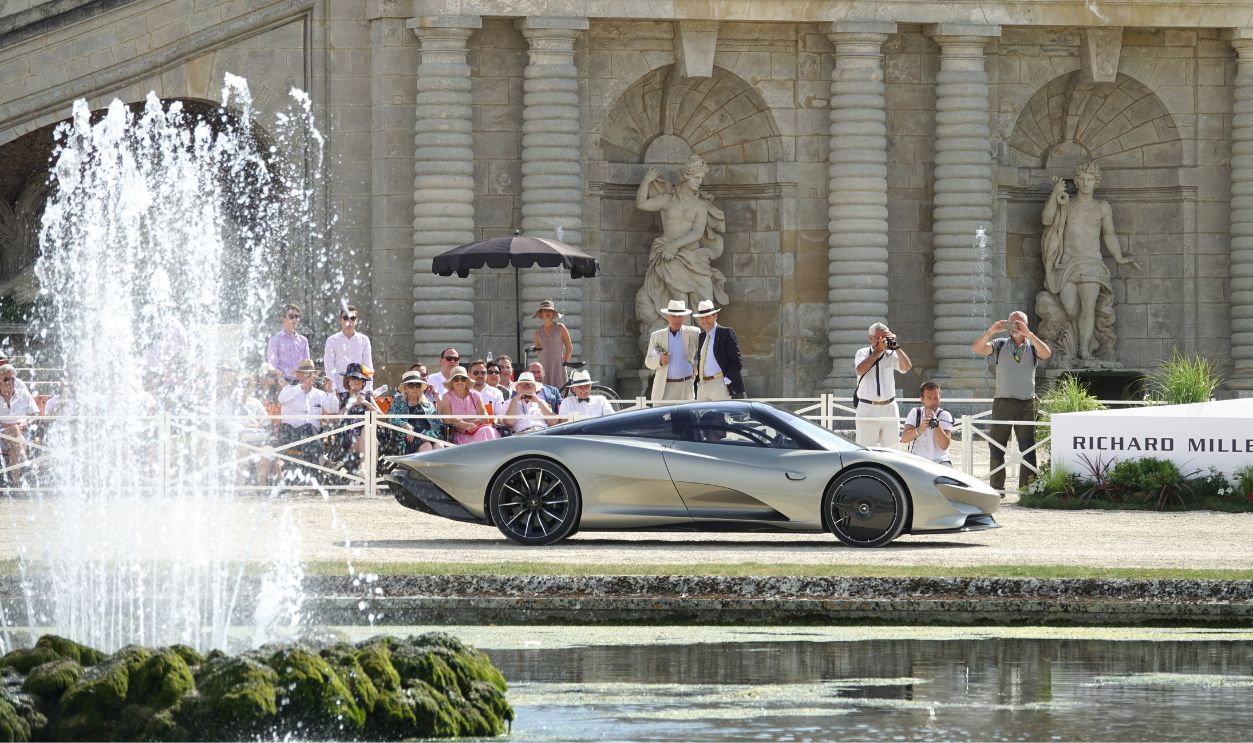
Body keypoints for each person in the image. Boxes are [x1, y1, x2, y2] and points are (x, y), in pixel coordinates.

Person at [1040, 161, 1140, 360]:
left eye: (1090, 180)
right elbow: (1046, 219)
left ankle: (1084, 350)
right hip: (1067, 264)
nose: (1086, 184)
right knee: (1071, 310)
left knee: (1088, 307)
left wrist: (1119, 257)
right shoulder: (1066, 203)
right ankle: (1083, 340)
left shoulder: (1102, 207)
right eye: (1082, 180)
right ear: (1076, 182)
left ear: (1096, 182)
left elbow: (1109, 234)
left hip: (1092, 264)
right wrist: (1054, 195)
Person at [633, 155, 729, 352]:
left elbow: (696, 232)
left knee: (706, 303)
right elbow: (641, 204)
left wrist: (675, 245)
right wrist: (646, 181)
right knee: (680, 306)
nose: (699, 182)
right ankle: (686, 351)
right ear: (686, 176)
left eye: (701, 178)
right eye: (696, 177)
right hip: (670, 259)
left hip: (693, 258)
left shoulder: (700, 205)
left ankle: (708, 350)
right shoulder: (668, 201)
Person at [972, 311, 1053, 492]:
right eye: (1012, 324)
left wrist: (1029, 335)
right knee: (997, 445)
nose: (1015, 327)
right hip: (1003, 402)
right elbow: (977, 349)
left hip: (1027, 403)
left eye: (1019, 324)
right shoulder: (1000, 345)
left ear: (1026, 325)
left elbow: (1046, 354)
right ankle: (997, 488)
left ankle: (1027, 489)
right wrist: (991, 331)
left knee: (1027, 446)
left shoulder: (1032, 346)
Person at [853, 322, 913, 448]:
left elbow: (907, 367)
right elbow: (860, 370)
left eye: (884, 338)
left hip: (889, 407)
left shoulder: (891, 355)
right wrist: (877, 351)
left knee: (893, 449)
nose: (882, 341)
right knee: (866, 449)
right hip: (867, 407)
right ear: (870, 338)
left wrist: (897, 347)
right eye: (878, 338)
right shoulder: (862, 353)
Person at [276, 358, 339, 473]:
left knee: (313, 437)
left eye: (311, 374)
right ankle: (322, 460)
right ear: (298, 375)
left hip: (312, 440)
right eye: (306, 374)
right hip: (291, 435)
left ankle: (316, 479)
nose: (309, 377)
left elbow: (334, 409)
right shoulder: (289, 389)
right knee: (309, 428)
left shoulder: (319, 394)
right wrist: (301, 387)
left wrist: (330, 391)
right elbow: (281, 399)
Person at [644, 299, 700, 402]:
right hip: (663, 388)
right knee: (662, 418)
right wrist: (659, 360)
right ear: (667, 317)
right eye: (673, 316)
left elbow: (704, 352)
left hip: (686, 386)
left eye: (679, 317)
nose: (676, 320)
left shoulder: (694, 332)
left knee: (686, 418)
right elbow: (648, 361)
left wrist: (695, 368)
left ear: (684, 317)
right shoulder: (656, 336)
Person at [692, 299, 745, 401]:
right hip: (703, 386)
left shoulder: (726, 333)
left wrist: (725, 382)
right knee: (702, 416)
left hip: (719, 384)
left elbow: (737, 362)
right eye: (702, 318)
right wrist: (699, 382)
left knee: (721, 417)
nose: (704, 320)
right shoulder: (702, 336)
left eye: (707, 317)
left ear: (715, 316)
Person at [335, 362, 383, 472]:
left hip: (368, 436)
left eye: (360, 378)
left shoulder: (367, 397)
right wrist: (350, 404)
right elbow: (336, 419)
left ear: (363, 382)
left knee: (368, 430)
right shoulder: (342, 397)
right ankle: (370, 478)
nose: (357, 380)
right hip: (349, 439)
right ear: (348, 381)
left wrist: (367, 404)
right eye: (353, 378)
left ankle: (363, 469)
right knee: (372, 441)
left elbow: (382, 418)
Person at [383, 371, 444, 454]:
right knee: (427, 446)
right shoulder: (398, 401)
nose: (415, 388)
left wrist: (429, 434)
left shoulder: (428, 404)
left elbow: (437, 424)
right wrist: (405, 425)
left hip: (427, 436)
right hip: (406, 438)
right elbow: (390, 419)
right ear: (405, 389)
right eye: (411, 385)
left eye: (417, 385)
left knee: (439, 445)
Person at [438, 366, 500, 445]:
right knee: (486, 432)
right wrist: (465, 425)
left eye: (463, 379)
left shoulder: (475, 395)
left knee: (488, 430)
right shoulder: (447, 396)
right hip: (460, 434)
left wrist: (469, 424)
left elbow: (485, 418)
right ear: (452, 382)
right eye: (456, 379)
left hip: (478, 429)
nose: (460, 381)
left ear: (466, 381)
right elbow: (447, 420)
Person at [323, 304, 374, 393]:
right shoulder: (331, 340)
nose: (349, 321)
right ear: (340, 320)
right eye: (346, 318)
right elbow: (329, 367)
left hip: (360, 391)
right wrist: (333, 390)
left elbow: (368, 366)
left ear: (356, 321)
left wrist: (368, 389)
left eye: (352, 318)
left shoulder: (364, 340)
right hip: (339, 390)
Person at [901, 382, 954, 466]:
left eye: (935, 398)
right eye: (929, 398)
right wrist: (919, 429)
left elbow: (944, 445)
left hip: (940, 461)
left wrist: (936, 423)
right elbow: (904, 439)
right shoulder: (916, 412)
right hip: (916, 461)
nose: (933, 401)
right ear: (922, 399)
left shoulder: (945, 415)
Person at [0, 364, 39, 470]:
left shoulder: (24, 395)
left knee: (14, 448)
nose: (10, 382)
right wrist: (7, 425)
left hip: (24, 434)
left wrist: (25, 423)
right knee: (13, 430)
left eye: (12, 379)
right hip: (2, 437)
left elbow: (35, 416)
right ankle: (24, 460)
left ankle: (15, 481)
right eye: (6, 379)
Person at [531, 300, 572, 387]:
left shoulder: (560, 327)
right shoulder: (537, 333)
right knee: (544, 393)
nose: (547, 312)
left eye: (550, 310)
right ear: (541, 314)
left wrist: (564, 363)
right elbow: (538, 352)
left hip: (558, 365)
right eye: (544, 310)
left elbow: (569, 347)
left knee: (561, 392)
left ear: (553, 314)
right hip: (544, 366)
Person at [266, 303, 310, 382]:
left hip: (301, 384)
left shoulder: (304, 340)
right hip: (282, 383)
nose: (294, 319)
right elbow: (273, 367)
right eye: (291, 316)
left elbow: (307, 367)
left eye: (297, 317)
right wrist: (283, 380)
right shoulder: (274, 340)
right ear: (283, 318)